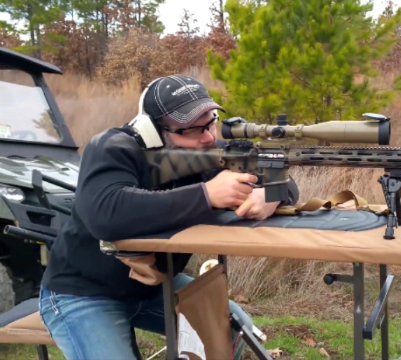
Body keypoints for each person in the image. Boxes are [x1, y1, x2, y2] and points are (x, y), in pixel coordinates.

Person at [38, 74, 300, 360]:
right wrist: (206, 195)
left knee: (237, 331)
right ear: (152, 129)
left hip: (154, 285)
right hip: (83, 292)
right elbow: (105, 214)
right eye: (192, 129)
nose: (209, 137)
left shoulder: (206, 151)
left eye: (210, 122)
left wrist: (272, 195)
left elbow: (278, 175)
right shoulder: (112, 147)